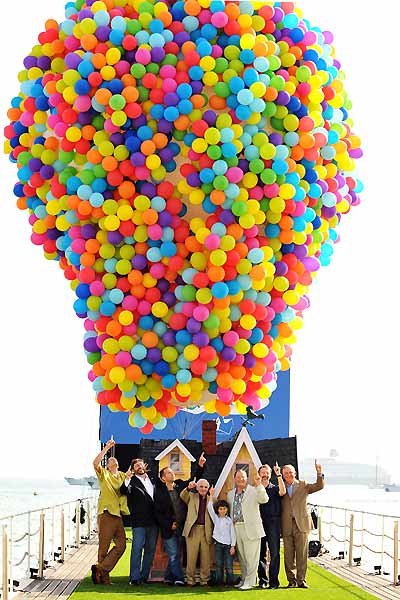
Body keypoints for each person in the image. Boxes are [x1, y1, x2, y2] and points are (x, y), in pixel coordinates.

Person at [153, 453, 206, 585]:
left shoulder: (180, 486)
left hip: (182, 526)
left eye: (172, 472)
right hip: (168, 529)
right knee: (174, 554)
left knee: (176, 554)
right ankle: (179, 578)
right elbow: (158, 513)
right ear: (163, 478)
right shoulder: (159, 493)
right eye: (169, 473)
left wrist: (200, 466)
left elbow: (194, 480)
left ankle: (168, 577)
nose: (173, 474)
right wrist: (169, 524)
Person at [281, 461, 324, 589]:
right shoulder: (280, 487)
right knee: (288, 555)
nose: (289, 474)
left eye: (290, 472)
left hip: (302, 523)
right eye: (286, 473)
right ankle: (291, 581)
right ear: (283, 475)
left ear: (295, 473)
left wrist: (319, 472)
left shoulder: (303, 485)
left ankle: (301, 580)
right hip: (287, 524)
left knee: (302, 554)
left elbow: (319, 486)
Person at [91, 439, 129, 585]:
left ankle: (100, 568)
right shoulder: (104, 474)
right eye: (110, 460)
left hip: (117, 514)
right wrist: (107, 447)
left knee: (122, 546)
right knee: (103, 548)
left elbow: (131, 475)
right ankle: (103, 578)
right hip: (106, 514)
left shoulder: (121, 476)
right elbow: (95, 463)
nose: (113, 460)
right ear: (108, 464)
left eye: (115, 459)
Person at [226, 469, 268, 590]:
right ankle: (244, 579)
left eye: (243, 477)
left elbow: (264, 499)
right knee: (242, 558)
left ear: (247, 478)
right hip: (236, 528)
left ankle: (250, 582)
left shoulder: (254, 491)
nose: (241, 479)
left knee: (251, 558)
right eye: (238, 477)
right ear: (234, 479)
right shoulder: (230, 494)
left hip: (251, 528)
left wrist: (259, 485)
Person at [120, 458, 158, 585]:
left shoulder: (153, 480)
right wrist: (127, 478)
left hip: (153, 521)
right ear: (133, 469)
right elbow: (123, 491)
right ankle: (134, 578)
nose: (139, 467)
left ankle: (144, 576)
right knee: (137, 548)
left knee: (150, 549)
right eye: (136, 466)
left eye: (140, 465)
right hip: (139, 522)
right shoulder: (131, 482)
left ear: (144, 466)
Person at [258, 462, 286, 589]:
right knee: (260, 553)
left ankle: (274, 581)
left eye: (267, 473)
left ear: (270, 475)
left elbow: (283, 491)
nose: (265, 475)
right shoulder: (256, 490)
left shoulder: (275, 488)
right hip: (259, 523)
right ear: (259, 474)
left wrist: (278, 474)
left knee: (275, 553)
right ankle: (263, 580)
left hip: (273, 523)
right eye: (262, 473)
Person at [180, 478, 213, 586]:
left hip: (206, 531)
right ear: (197, 487)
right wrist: (189, 487)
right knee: (191, 557)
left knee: (206, 558)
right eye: (201, 486)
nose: (203, 488)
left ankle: (204, 580)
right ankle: (190, 580)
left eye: (205, 487)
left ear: (208, 489)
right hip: (193, 530)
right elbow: (182, 495)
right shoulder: (191, 497)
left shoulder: (212, 499)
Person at [207, 486, 236, 586]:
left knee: (228, 565)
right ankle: (219, 582)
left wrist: (233, 546)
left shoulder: (229, 520)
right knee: (219, 564)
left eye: (224, 509)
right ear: (218, 510)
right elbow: (210, 507)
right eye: (220, 509)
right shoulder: (216, 519)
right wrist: (211, 495)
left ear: (227, 510)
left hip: (228, 545)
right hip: (218, 544)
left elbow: (233, 533)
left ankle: (230, 582)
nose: (222, 510)